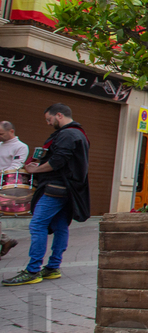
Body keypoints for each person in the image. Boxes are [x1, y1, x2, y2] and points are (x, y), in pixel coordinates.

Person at [3, 103, 90, 286]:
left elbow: (57, 161)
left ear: (59, 115)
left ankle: (33, 270)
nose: (48, 124)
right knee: (60, 227)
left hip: (56, 188)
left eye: (49, 119)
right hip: (67, 188)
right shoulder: (78, 133)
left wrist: (36, 169)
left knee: (37, 225)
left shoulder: (67, 134)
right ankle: (52, 268)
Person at [0, 121, 29, 257]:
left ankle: (5, 240)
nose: (0, 136)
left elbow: (16, 165)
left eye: (2, 134)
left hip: (5, 185)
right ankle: (5, 240)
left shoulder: (20, 147)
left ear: (11, 131)